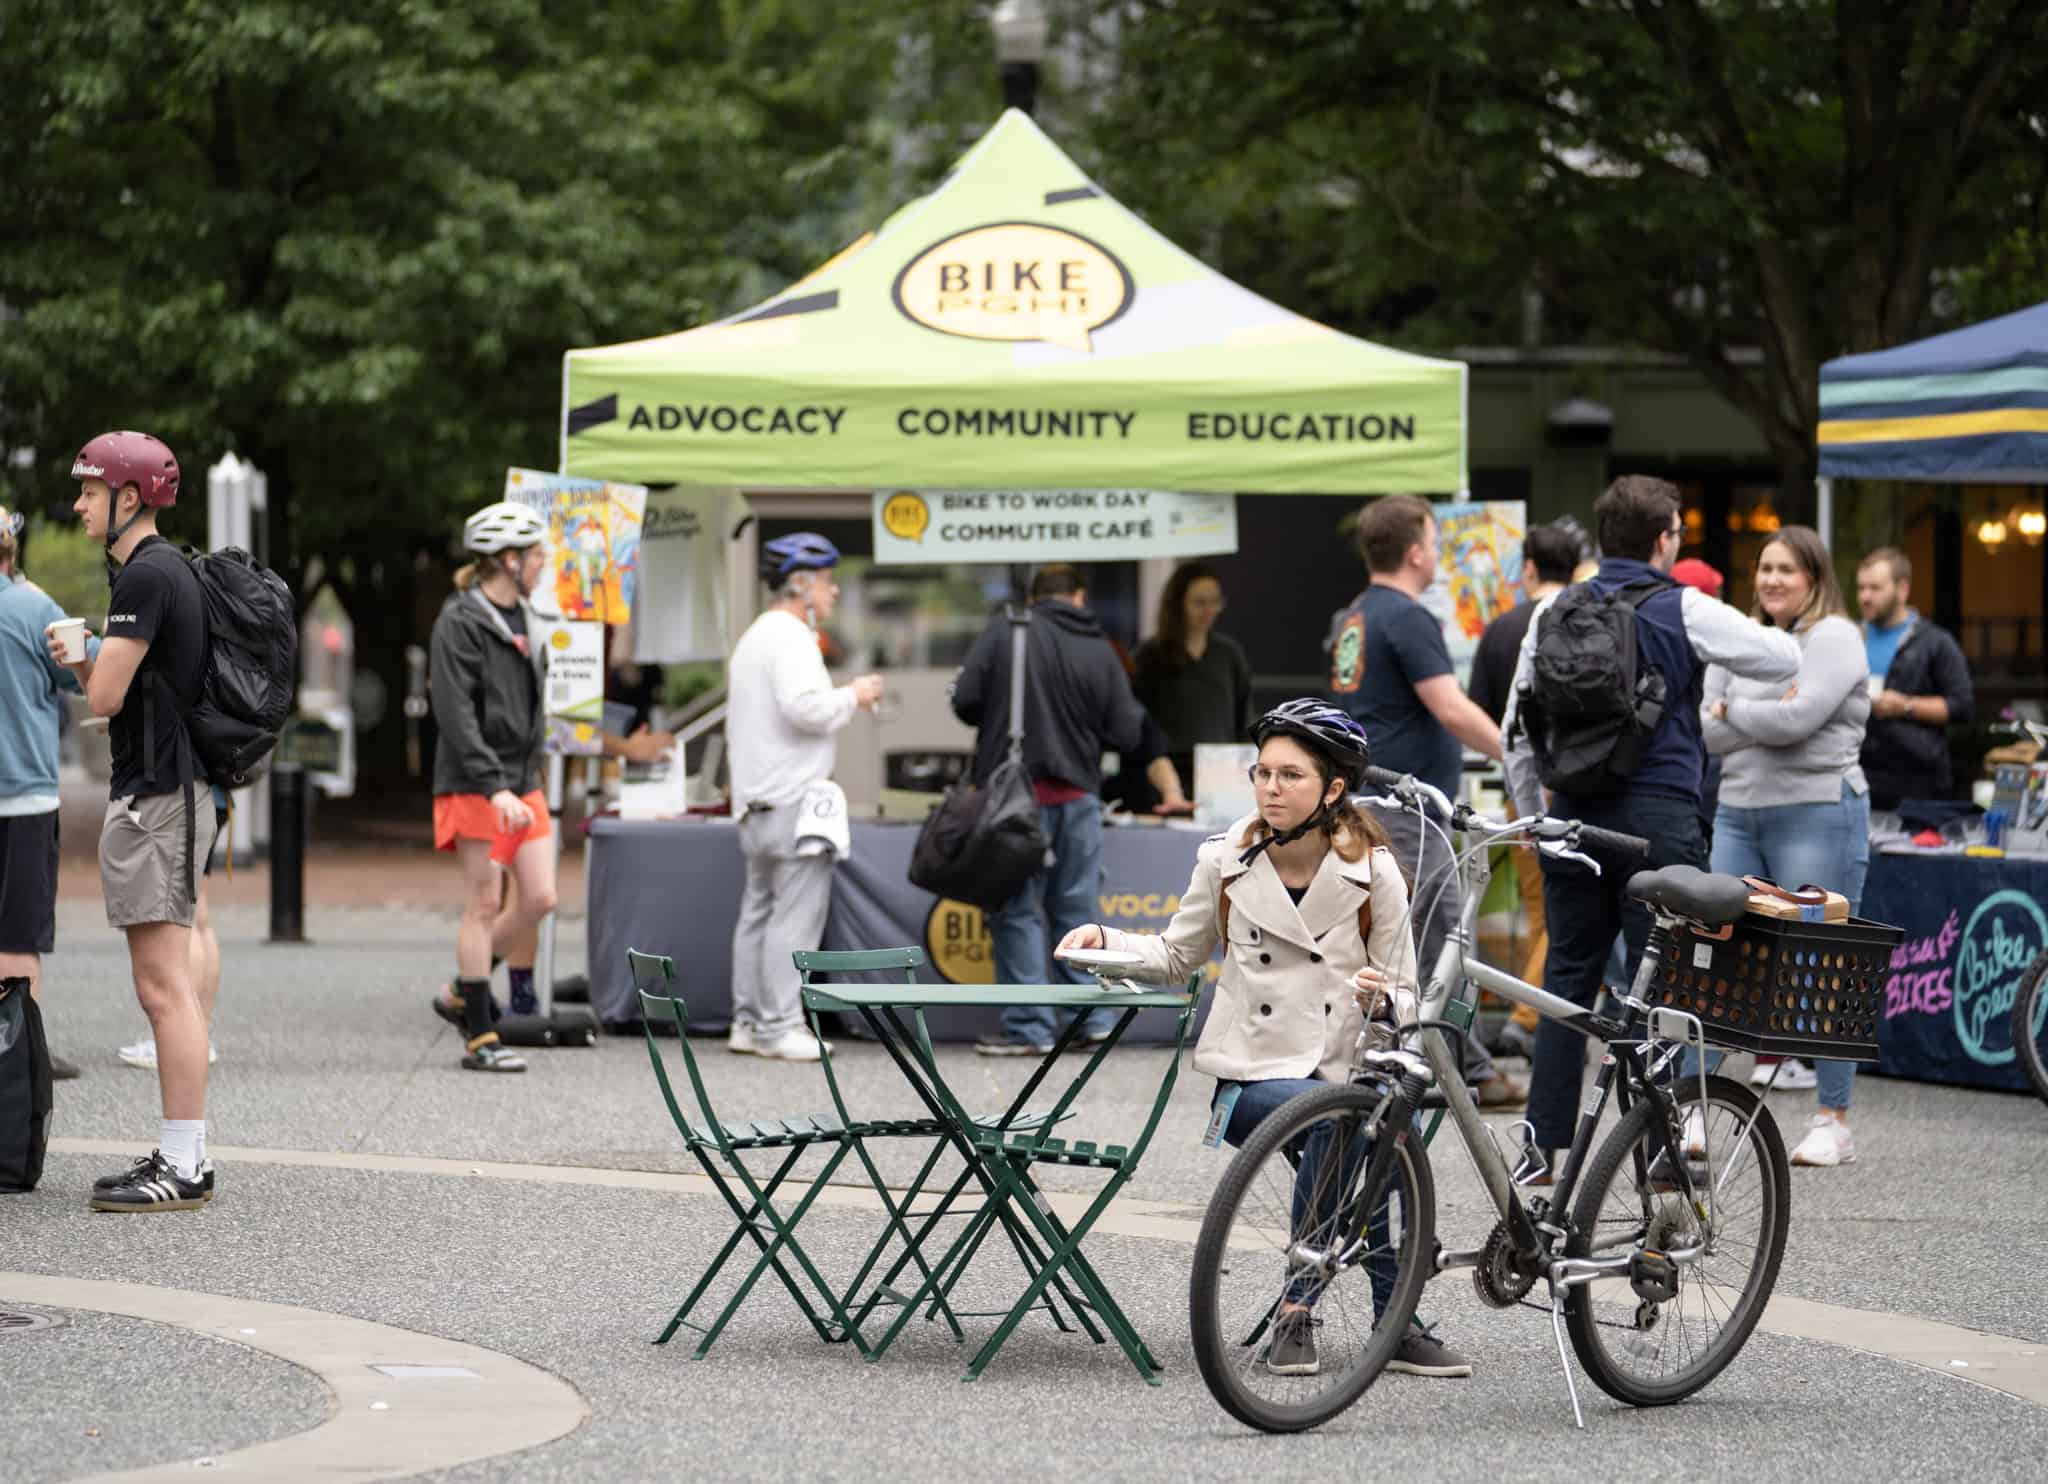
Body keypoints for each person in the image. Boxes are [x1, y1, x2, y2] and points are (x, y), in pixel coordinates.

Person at [1056, 700, 1471, 1379]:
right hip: (1250, 1076)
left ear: (1333, 789)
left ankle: (1367, 1316)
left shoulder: (1377, 871)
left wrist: (1381, 996)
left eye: (1291, 775)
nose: (1271, 788)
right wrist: (1106, 942)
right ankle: (1328, 1313)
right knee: (1344, 1125)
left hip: (1347, 1071)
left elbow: (1407, 992)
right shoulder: (1225, 860)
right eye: (1263, 773)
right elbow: (1173, 955)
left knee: (1363, 1127)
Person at [1502, 476, 1800, 1175]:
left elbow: (1519, 732)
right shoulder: (1683, 607)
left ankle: (1542, 1147)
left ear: (1603, 540)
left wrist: (1532, 819)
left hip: (1572, 822)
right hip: (1659, 826)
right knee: (1665, 986)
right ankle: (1661, 1145)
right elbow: (1781, 656)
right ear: (1665, 538)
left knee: (1566, 979)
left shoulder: (1551, 612)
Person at [51, 432, 219, 1210]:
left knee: (163, 989)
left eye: (89, 491)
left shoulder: (145, 577)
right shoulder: (155, 570)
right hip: (163, 792)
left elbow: (108, 696)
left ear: (129, 497)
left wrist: (81, 649)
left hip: (160, 797)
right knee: (164, 984)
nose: (79, 504)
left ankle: (184, 1164)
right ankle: (182, 1154)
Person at [1328, 495, 1523, 1108]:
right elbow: (1450, 708)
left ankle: (1431, 1060)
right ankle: (1465, 1068)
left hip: (1372, 804)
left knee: (1401, 940)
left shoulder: (1355, 617)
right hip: (1407, 809)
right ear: (1415, 553)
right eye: (1435, 544)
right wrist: (1517, 760)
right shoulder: (1408, 618)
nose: (1437, 555)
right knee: (1439, 940)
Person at [1703, 526, 1872, 1166]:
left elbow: (1797, 722)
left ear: (1814, 579)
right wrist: (1762, 716)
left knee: (1821, 964)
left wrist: (1734, 713)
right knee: (1717, 956)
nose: (1772, 579)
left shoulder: (1836, 638)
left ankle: (1833, 1119)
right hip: (1739, 812)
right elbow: (1708, 734)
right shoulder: (1741, 638)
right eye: (1765, 567)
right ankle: (1694, 1107)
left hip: (1818, 810)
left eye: (1787, 569)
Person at [953, 564, 1148, 1056]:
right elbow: (1127, 732)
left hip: (1015, 802)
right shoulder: (1101, 649)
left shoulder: (1006, 633)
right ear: (1079, 596)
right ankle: (1092, 1017)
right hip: (1080, 798)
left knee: (1016, 912)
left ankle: (1030, 1029)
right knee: (1077, 909)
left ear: (1036, 597)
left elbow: (966, 701)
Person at [725, 533, 881, 1062]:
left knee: (759, 913)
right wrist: (853, 696)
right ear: (800, 584)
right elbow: (806, 708)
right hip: (791, 801)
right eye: (827, 581)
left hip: (755, 802)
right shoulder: (791, 638)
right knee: (793, 917)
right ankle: (779, 1026)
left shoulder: (755, 636)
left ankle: (747, 1022)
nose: (833, 592)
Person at [425, 500, 559, 1074]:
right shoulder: (458, 622)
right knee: (484, 901)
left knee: (541, 898)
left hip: (520, 777)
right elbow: (454, 714)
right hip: (475, 781)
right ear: (508, 560)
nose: (542, 566)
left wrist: (524, 774)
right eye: (536, 557)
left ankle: (463, 988)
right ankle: (479, 1032)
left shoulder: (525, 618)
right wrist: (491, 785)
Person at [1466, 522, 1581, 1059]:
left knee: (1542, 909)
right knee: (1566, 912)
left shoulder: (1500, 628)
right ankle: (1532, 1015)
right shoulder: (1584, 620)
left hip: (1523, 786)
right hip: (1576, 785)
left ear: (1528, 569)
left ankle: (1538, 1013)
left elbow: (1485, 713)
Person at [0, 504, 86, 1081]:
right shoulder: (34, 609)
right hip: (23, 795)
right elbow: (88, 669)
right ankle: (18, 1059)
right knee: (17, 935)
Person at [1855, 547, 1972, 810]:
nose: (1865, 596)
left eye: (1875, 588)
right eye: (1861, 588)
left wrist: (1906, 706)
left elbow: (1962, 706)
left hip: (1920, 784)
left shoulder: (1935, 642)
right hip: (1859, 779)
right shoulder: (1851, 638)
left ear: (1902, 589)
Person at [1131, 562, 1252, 802]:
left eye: (1215, 601)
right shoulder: (1151, 655)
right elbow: (1137, 721)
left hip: (1219, 773)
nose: (1209, 610)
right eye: (1199, 603)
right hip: (1166, 775)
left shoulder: (1229, 654)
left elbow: (1243, 718)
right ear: (1179, 604)